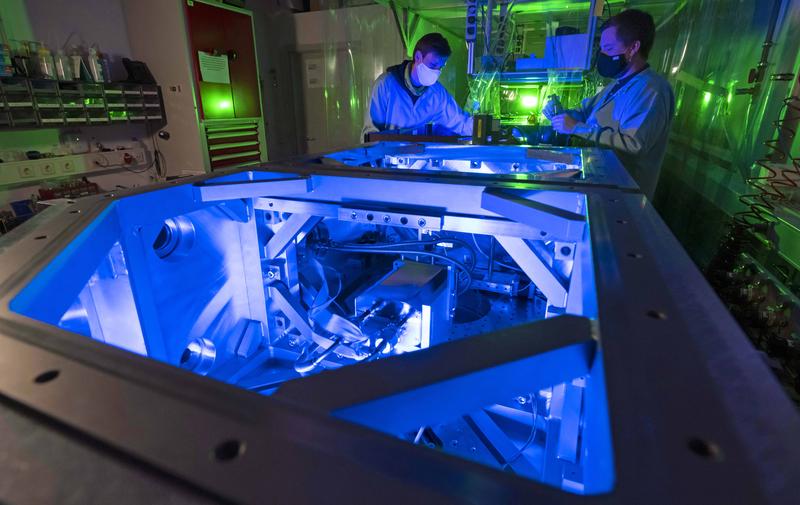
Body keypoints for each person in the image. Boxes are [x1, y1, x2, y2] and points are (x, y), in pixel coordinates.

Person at [545, 9, 674, 199]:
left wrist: (577, 129)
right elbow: (585, 113)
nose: (603, 55)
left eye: (609, 49)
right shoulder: (618, 83)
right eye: (602, 49)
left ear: (633, 48)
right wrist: (561, 113)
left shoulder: (651, 90)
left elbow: (633, 144)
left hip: (625, 194)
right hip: (602, 183)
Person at [362, 33, 473, 140]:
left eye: (441, 67)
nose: (436, 72)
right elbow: (370, 135)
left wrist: (483, 128)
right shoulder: (386, 85)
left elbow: (460, 123)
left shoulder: (437, 94)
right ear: (418, 57)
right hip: (389, 156)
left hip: (420, 158)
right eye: (433, 65)